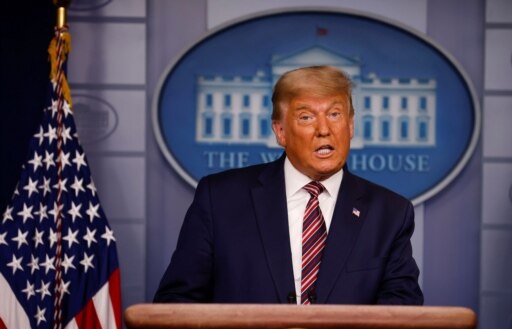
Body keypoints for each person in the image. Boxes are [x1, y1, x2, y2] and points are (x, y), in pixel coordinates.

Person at [154, 65, 423, 305]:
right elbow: (176, 305)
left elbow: (401, 318)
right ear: (280, 132)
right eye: (306, 117)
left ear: (350, 125)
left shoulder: (390, 213)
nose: (324, 129)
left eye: (335, 114)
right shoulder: (221, 199)